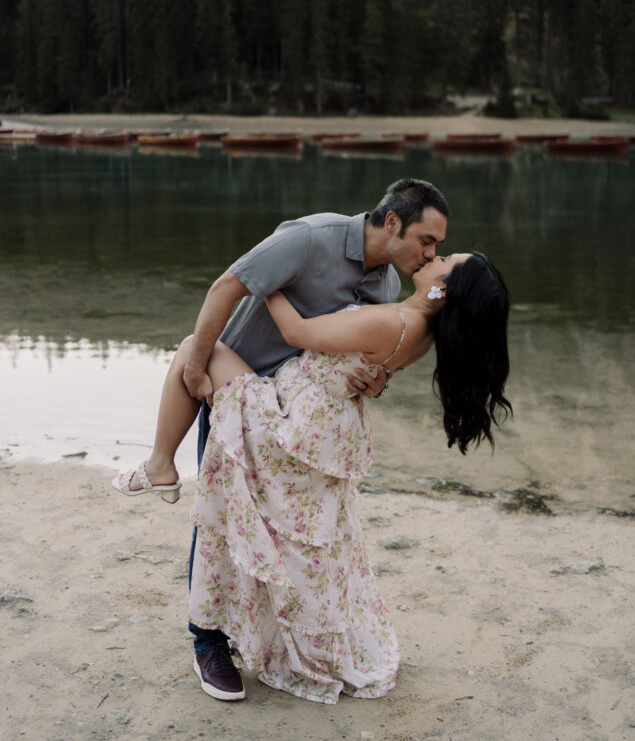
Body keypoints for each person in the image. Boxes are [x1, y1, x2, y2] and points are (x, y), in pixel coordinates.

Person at [112, 178, 451, 697]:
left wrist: (374, 378)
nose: (432, 252)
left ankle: (261, 632)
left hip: (299, 424)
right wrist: (200, 370)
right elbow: (225, 287)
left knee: (280, 538)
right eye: (427, 240)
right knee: (221, 518)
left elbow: (365, 352)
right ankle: (208, 642)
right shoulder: (308, 238)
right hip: (239, 395)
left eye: (437, 247)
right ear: (391, 222)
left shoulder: (385, 286)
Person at [186, 251, 510, 704]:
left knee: (198, 348)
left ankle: (159, 463)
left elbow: (296, 332)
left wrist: (268, 279)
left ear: (446, 289)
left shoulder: (393, 321)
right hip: (325, 434)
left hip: (289, 426)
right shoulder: (422, 333)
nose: (437, 254)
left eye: (447, 258)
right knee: (301, 545)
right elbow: (369, 367)